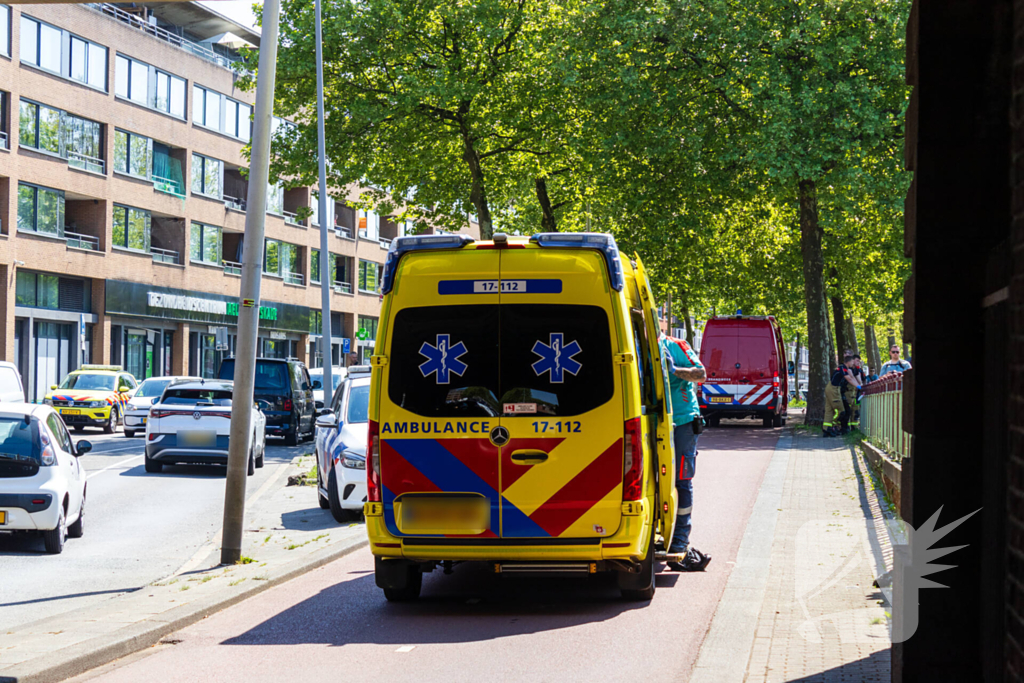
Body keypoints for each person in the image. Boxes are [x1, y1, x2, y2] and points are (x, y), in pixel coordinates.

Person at [660, 334, 712, 572]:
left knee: (681, 481)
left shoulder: (674, 345)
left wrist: (674, 369)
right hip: (651, 419)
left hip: (681, 422)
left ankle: (680, 543)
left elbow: (701, 374)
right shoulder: (633, 338)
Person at [823, 354, 861, 437]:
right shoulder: (842, 368)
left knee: (829, 409)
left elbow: (852, 378)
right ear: (849, 362)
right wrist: (858, 386)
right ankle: (833, 426)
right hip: (834, 389)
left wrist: (858, 385)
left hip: (832, 388)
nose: (853, 364)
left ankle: (826, 428)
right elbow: (849, 379)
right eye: (852, 362)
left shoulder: (846, 369)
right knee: (840, 411)